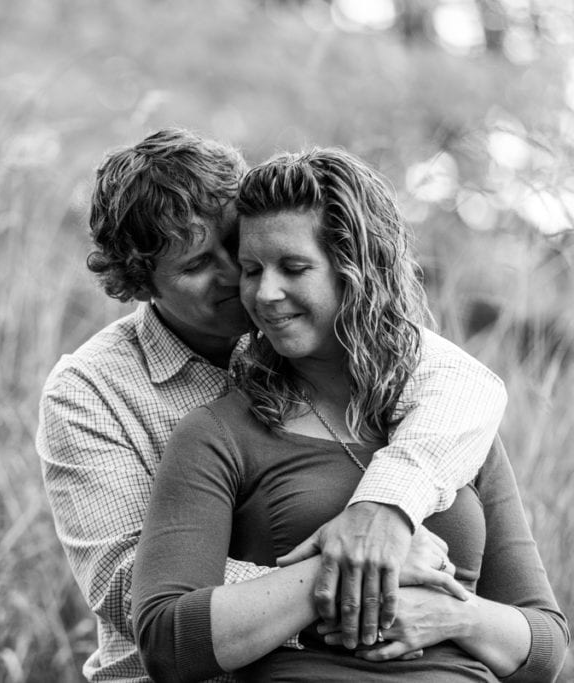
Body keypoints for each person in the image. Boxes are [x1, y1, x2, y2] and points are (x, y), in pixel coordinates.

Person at [37, 128, 509, 681]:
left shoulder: (312, 334)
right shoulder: (90, 390)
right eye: (195, 266)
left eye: (236, 246)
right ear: (141, 284)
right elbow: (132, 591)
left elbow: (466, 383)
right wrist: (362, 576)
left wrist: (384, 513)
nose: (239, 276)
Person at [131, 148, 569, 681]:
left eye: (293, 268)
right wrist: (347, 567)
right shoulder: (218, 433)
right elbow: (167, 642)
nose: (265, 293)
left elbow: (544, 646)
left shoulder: (453, 421)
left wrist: (455, 615)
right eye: (251, 270)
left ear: (357, 272)